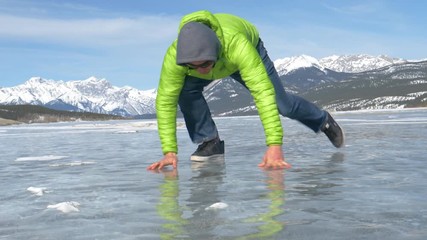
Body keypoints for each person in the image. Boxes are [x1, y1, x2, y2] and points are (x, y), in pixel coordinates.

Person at [147, 10, 344, 171]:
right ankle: (210, 141)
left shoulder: (237, 46)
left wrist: (274, 145)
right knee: (184, 90)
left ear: (215, 52)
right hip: (214, 58)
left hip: (246, 51)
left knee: (281, 104)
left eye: (206, 63)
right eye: (193, 66)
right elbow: (165, 101)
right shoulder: (176, 58)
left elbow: (262, 91)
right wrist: (169, 151)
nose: (201, 70)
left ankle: (322, 120)